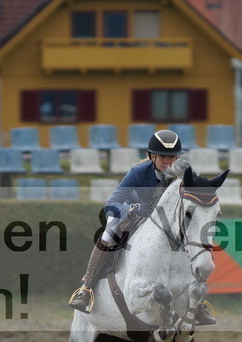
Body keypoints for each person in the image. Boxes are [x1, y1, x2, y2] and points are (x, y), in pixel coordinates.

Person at [67, 129, 216, 325]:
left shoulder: (185, 173)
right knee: (109, 230)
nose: (168, 161)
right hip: (135, 214)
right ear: (152, 156)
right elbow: (110, 205)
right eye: (163, 156)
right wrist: (132, 209)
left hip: (168, 221)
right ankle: (86, 289)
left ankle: (198, 302)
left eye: (172, 156)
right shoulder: (138, 173)